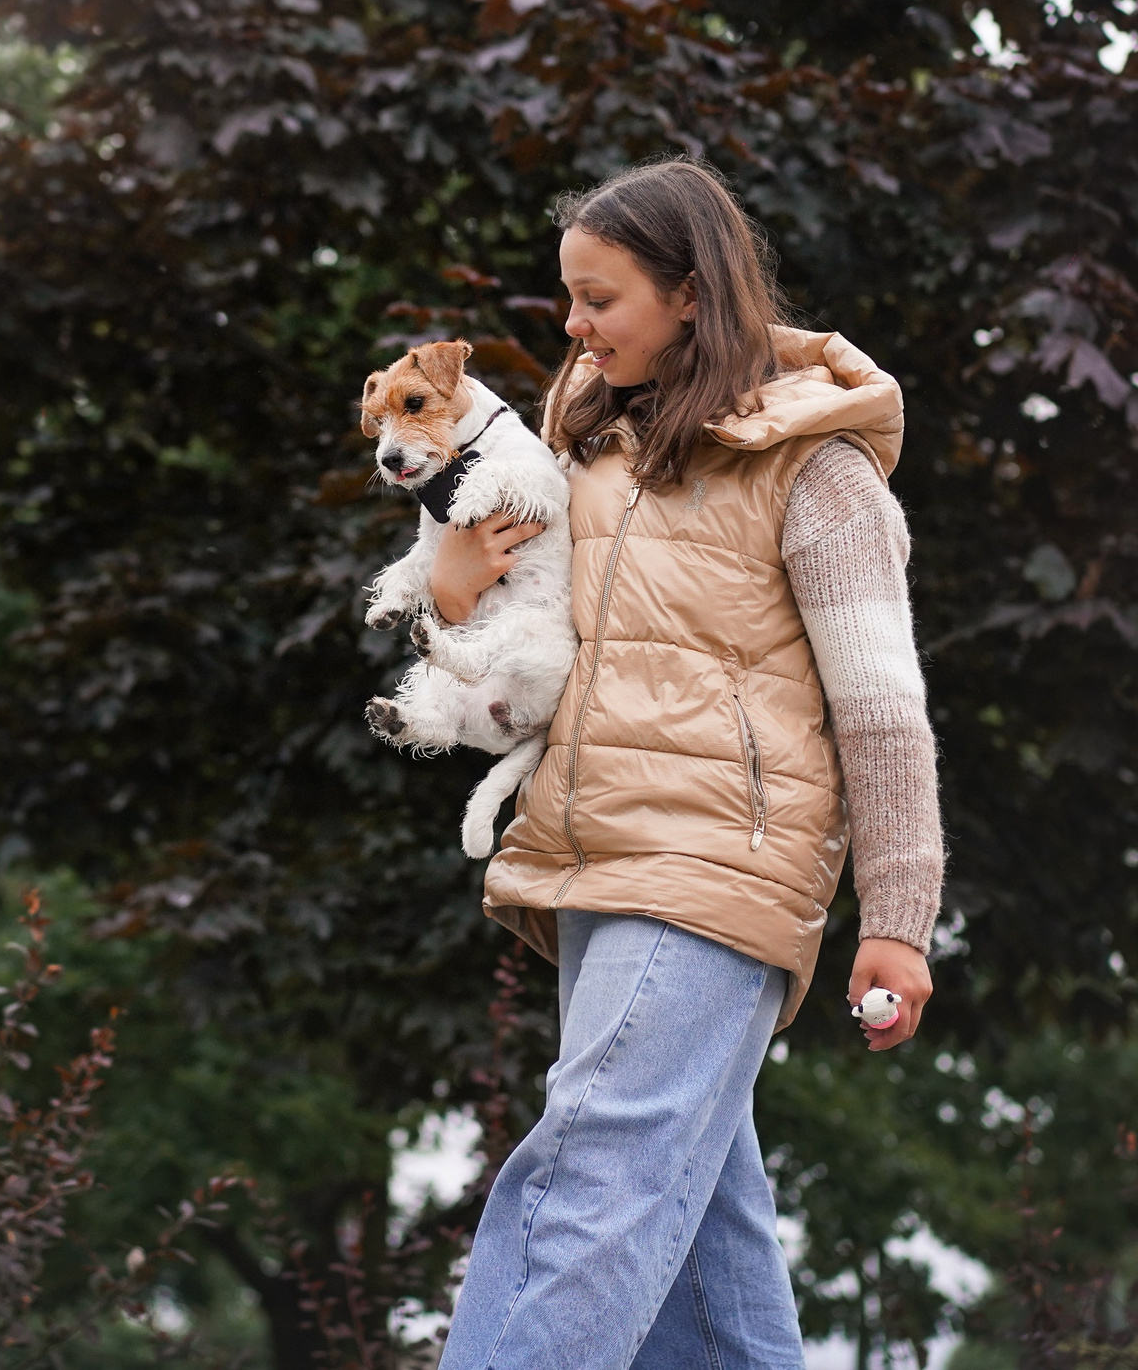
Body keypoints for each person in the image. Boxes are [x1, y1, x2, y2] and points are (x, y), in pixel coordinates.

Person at [428, 158, 945, 1369]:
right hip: (592, 861)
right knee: (702, 1259)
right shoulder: (589, 449)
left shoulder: (814, 467)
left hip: (722, 869)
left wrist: (900, 917)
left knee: (590, 1176)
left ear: (692, 296)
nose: (572, 326)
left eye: (599, 299)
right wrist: (452, 604)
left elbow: (881, 710)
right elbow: (522, 673)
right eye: (570, 297)